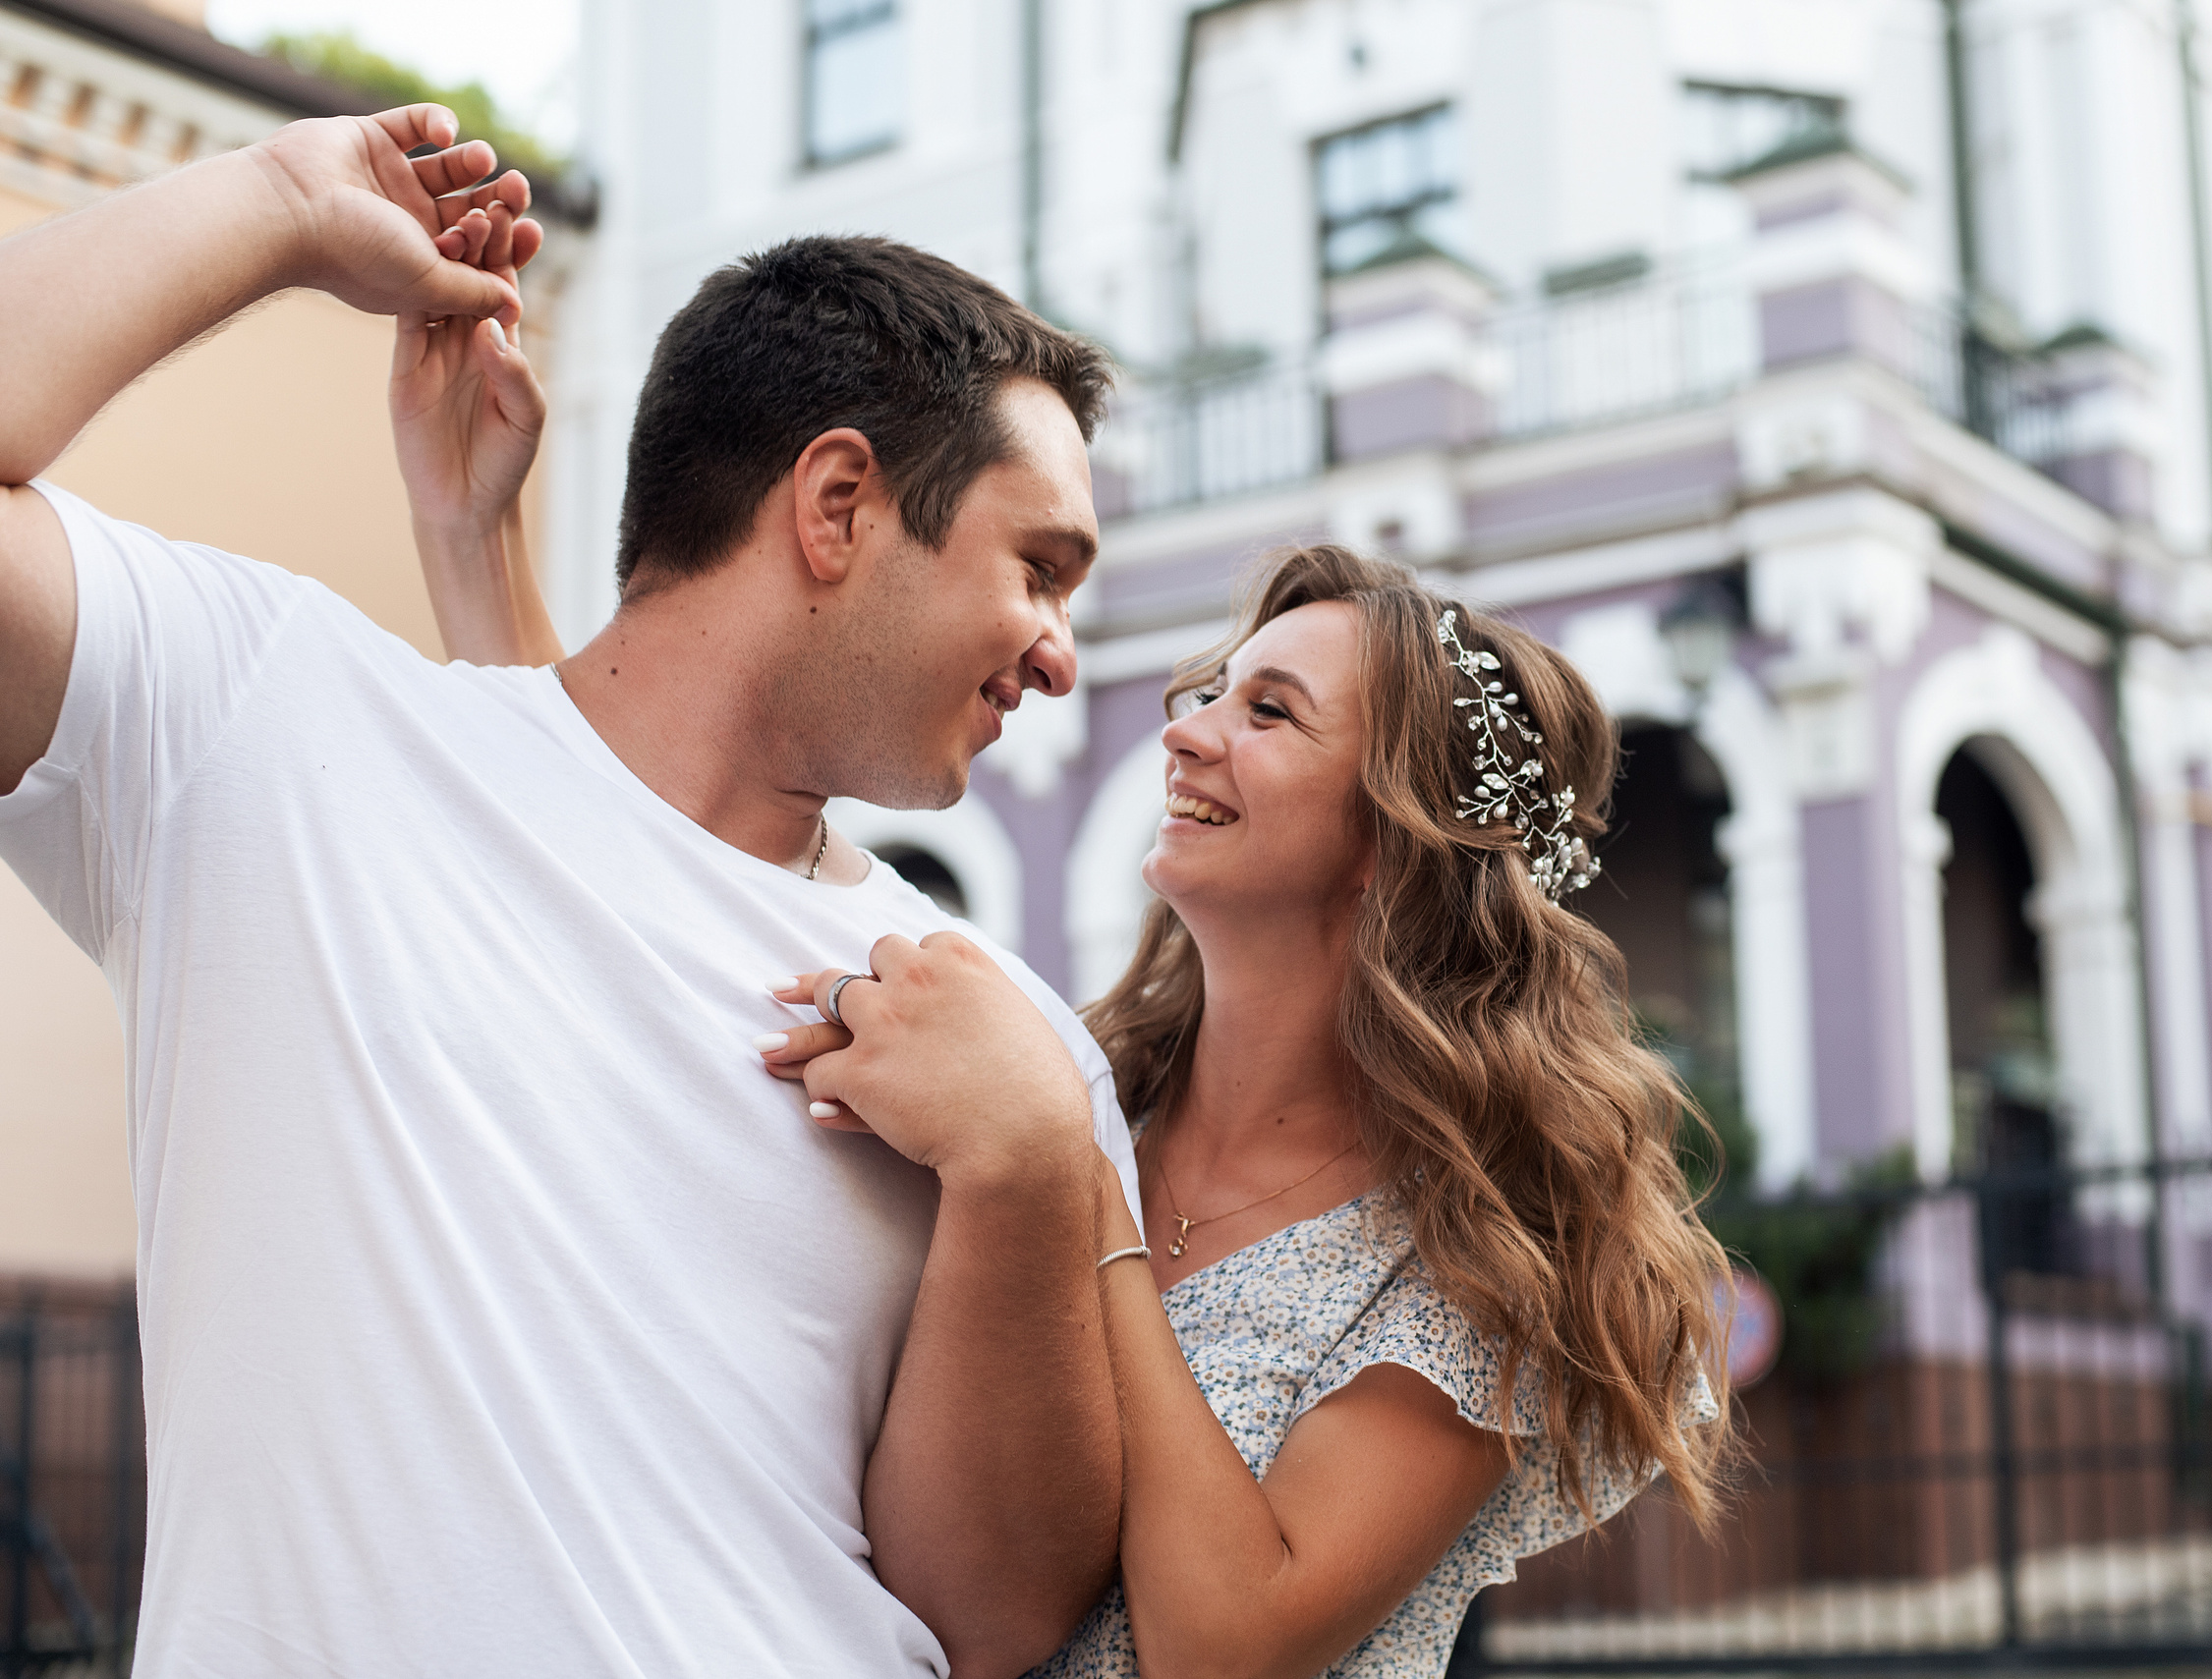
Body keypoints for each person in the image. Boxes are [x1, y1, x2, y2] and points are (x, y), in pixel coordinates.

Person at [411, 292, 1737, 1665]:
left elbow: (1224, 1641)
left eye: (1268, 711)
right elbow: (671, 883)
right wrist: (470, 538)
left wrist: (1063, 1170)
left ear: (1390, 846)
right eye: (1216, 687)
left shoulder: (1469, 1257)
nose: (1189, 731)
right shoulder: (1071, 1071)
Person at [0, 106, 1141, 1679]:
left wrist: (1024, 1171)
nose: (1059, 649)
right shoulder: (260, 723)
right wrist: (272, 205)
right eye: (1042, 567)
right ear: (837, 506)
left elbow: (996, 1621)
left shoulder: (1009, 1049)